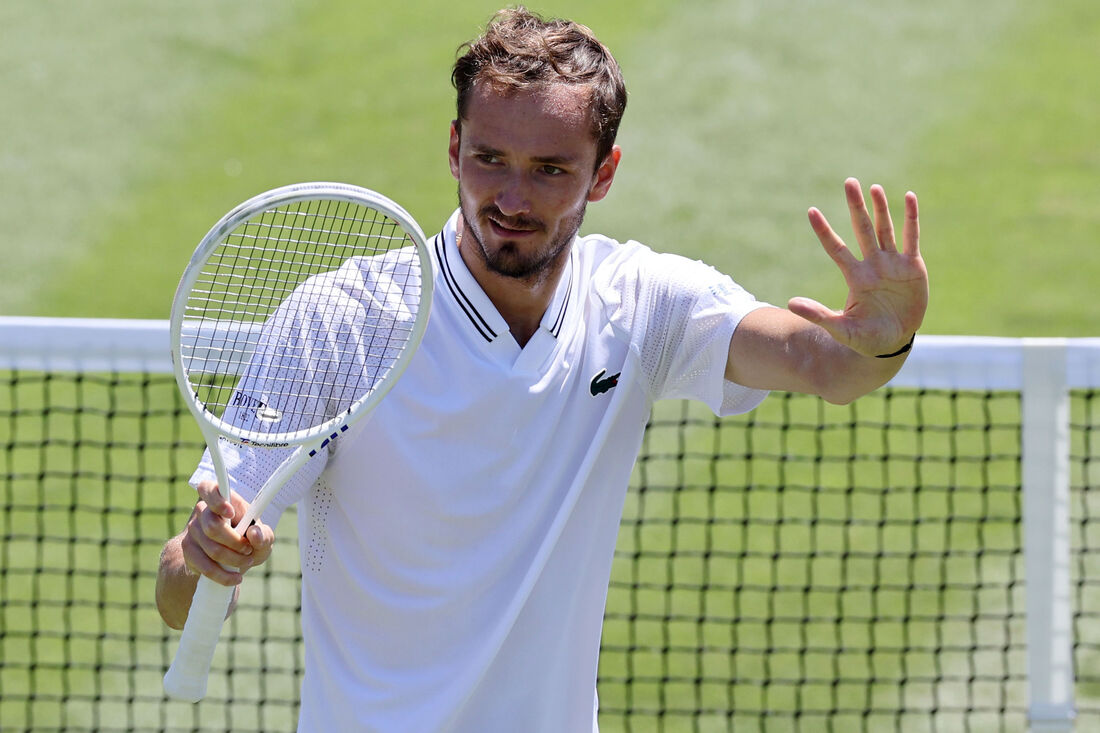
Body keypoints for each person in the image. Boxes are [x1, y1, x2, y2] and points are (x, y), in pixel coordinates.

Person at [156, 7, 928, 731]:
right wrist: (203, 556)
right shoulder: (337, 320)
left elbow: (825, 368)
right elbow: (180, 588)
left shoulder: (642, 303)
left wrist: (882, 338)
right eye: (490, 159)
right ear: (455, 148)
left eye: (551, 170)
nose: (512, 198)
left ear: (604, 173)